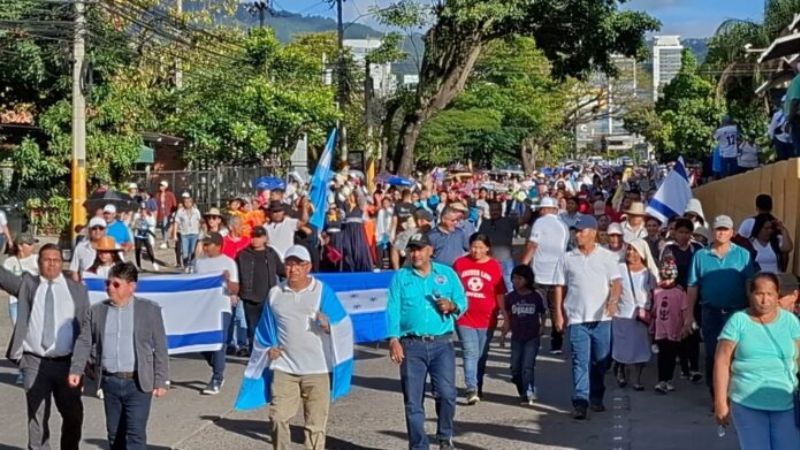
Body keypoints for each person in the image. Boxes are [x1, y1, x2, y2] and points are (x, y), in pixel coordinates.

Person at [239, 245, 352, 450]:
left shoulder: (322, 292)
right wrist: (267, 350)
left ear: (308, 267)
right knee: (278, 417)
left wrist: (329, 326)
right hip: (285, 367)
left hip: (317, 370)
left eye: (298, 265)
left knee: (315, 427)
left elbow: (344, 325)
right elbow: (264, 330)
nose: (293, 270)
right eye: (289, 265)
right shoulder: (275, 294)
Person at [68, 262, 169, 450]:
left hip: (138, 383)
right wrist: (76, 369)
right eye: (107, 283)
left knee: (136, 434)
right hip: (110, 382)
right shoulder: (97, 311)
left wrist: (161, 380)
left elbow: (161, 347)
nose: (109, 288)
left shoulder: (149, 310)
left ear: (131, 286)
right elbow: (84, 342)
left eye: (115, 284)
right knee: (114, 434)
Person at [1, 243, 89, 450]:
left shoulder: (77, 291)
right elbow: (3, 277)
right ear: (38, 264)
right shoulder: (27, 285)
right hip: (34, 361)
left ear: (62, 263)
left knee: (73, 415)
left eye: (56, 260)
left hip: (66, 364)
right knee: (37, 417)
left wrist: (82, 365)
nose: (51, 264)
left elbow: (86, 329)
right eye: (46, 260)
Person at [386, 232, 468, 450]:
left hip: (442, 343)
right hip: (411, 345)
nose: (416, 254)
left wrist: (452, 306)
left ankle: (444, 435)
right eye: (412, 249)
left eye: (420, 249)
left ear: (430, 250)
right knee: (413, 401)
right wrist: (394, 339)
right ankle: (418, 445)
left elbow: (462, 300)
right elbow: (392, 309)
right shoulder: (401, 277)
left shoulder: (446, 274)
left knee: (447, 394)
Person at [714, 272, 800, 450]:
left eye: (770, 294)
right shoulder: (738, 321)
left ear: (778, 295)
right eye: (759, 293)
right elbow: (722, 362)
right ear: (750, 294)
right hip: (746, 402)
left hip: (785, 402)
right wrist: (721, 402)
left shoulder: (791, 322)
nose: (764, 300)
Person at [553, 215, 622, 420]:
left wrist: (613, 301)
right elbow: (559, 286)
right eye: (576, 231)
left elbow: (616, 282)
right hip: (576, 318)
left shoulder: (607, 257)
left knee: (601, 361)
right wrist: (558, 312)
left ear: (593, 233)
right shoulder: (567, 258)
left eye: (582, 231)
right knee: (579, 361)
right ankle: (580, 401)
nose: (578, 235)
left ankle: (597, 395)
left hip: (602, 319)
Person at [684, 215, 756, 401]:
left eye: (725, 229)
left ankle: (734, 393)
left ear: (732, 232)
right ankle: (716, 393)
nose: (721, 232)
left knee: (736, 354)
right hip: (711, 312)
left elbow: (750, 284)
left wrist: (754, 312)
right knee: (712, 353)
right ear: (712, 232)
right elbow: (693, 286)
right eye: (718, 229)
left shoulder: (743, 255)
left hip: (736, 312)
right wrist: (688, 315)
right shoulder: (701, 255)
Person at [452, 233, 506, 404]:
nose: (476, 250)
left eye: (481, 247)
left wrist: (504, 312)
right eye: (474, 246)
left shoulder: (494, 266)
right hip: (464, 316)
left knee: (481, 354)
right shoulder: (460, 264)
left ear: (487, 248)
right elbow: (452, 287)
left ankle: (478, 384)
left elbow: (499, 291)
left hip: (487, 318)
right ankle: (471, 388)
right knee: (470, 352)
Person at [520, 197, 568, 355]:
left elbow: (533, 245)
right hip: (558, 275)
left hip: (540, 273)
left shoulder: (540, 223)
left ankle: (533, 339)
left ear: (545, 209)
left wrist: (523, 265)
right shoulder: (563, 225)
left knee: (537, 308)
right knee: (556, 309)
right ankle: (557, 343)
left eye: (541, 209)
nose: (540, 211)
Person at [193, 232, 240, 395]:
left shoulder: (229, 263)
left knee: (219, 342)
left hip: (221, 307)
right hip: (203, 308)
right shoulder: (198, 263)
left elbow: (235, 288)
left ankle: (217, 377)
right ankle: (217, 365)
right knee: (201, 342)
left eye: (208, 244)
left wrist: (227, 280)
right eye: (204, 244)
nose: (205, 247)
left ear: (219, 245)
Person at [660, 218, 703, 382]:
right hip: (676, 296)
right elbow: (666, 274)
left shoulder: (698, 249)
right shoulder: (669, 249)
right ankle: (684, 367)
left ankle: (694, 368)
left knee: (693, 331)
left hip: (695, 296)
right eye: (681, 232)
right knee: (680, 332)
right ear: (674, 232)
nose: (684, 236)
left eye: (687, 232)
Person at [612, 240, 658, 391]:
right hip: (622, 315)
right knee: (623, 348)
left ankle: (636, 379)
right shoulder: (619, 269)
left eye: (635, 250)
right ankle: (621, 372)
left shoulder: (649, 273)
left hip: (642, 317)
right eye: (629, 249)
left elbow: (653, 293)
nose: (631, 252)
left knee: (640, 349)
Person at [502, 265, 546, 406]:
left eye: (520, 279)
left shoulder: (535, 296)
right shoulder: (511, 297)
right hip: (516, 336)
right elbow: (507, 317)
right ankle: (520, 384)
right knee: (515, 366)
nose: (516, 281)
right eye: (514, 278)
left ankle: (528, 392)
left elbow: (543, 313)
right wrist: (503, 335)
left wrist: (542, 326)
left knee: (528, 365)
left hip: (532, 336)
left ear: (528, 279)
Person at [235, 227, 284, 349]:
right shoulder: (242, 254)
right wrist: (235, 292)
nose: (255, 240)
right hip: (249, 297)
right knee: (253, 328)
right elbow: (235, 275)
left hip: (269, 297)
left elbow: (282, 270)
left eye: (258, 237)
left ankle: (269, 352)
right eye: (253, 237)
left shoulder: (271, 253)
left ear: (265, 238)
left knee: (269, 327)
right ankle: (254, 353)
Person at [4, 234, 39, 384]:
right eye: (29, 244)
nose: (32, 247)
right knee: (21, 336)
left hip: (34, 303)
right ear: (20, 246)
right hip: (15, 303)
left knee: (32, 336)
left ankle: (30, 369)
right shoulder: (9, 262)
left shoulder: (37, 259)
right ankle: (22, 370)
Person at [652, 257, 688, 394]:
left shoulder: (680, 292)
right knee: (662, 355)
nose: (666, 281)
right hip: (660, 329)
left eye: (670, 278)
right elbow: (655, 309)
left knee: (672, 355)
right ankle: (661, 380)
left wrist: (685, 326)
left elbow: (684, 310)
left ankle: (668, 379)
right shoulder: (657, 291)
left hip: (675, 328)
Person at [478, 201, 522, 289]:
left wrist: (526, 203)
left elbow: (524, 219)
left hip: (506, 260)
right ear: (489, 211)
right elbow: (479, 241)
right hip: (488, 261)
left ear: (501, 210)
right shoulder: (484, 223)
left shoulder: (509, 221)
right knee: (488, 285)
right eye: (492, 210)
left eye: (497, 210)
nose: (495, 212)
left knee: (509, 285)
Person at [70, 217, 111, 281]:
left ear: (105, 230)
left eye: (101, 228)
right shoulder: (80, 247)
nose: (98, 231)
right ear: (89, 230)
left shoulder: (115, 247)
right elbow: (74, 271)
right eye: (94, 228)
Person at [173, 193, 203, 271]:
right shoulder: (180, 211)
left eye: (189, 202)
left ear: (192, 202)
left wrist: (201, 231)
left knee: (192, 251)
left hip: (194, 233)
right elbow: (176, 222)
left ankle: (192, 265)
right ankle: (186, 265)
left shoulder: (196, 211)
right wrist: (174, 234)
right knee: (185, 251)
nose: (187, 203)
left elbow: (200, 221)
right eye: (185, 202)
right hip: (184, 234)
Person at [132, 203, 159, 271]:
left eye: (144, 209)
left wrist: (146, 217)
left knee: (149, 249)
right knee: (138, 250)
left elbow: (152, 224)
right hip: (138, 235)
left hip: (145, 235)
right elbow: (133, 225)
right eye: (142, 209)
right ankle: (139, 266)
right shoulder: (136, 215)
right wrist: (138, 220)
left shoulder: (149, 215)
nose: (143, 210)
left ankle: (153, 262)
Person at [155, 180, 177, 248]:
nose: (160, 187)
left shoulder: (170, 194)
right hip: (160, 213)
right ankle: (166, 241)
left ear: (166, 186)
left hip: (168, 213)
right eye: (160, 185)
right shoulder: (157, 194)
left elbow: (174, 203)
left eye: (162, 185)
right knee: (162, 227)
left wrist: (173, 212)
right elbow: (156, 204)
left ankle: (164, 241)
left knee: (165, 226)